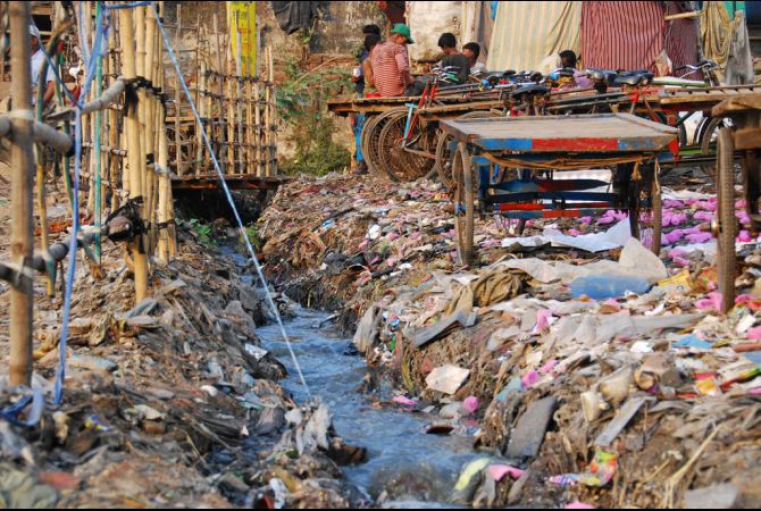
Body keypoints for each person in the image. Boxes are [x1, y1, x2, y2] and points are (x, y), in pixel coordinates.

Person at [371, 23, 414, 98]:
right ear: (399, 36)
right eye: (404, 42)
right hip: (397, 91)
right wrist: (409, 81)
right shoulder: (397, 47)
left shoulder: (376, 49)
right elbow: (403, 68)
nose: (404, 45)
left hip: (382, 92)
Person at [30, 25, 56, 108]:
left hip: (34, 105)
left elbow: (52, 87)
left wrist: (39, 107)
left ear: (34, 40)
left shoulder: (46, 60)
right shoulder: (22, 59)